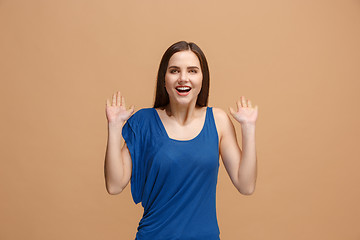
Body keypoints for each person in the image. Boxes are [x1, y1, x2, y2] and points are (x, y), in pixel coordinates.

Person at [104, 41, 258, 240]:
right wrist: (114, 128)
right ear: (164, 79)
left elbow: (246, 186)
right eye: (174, 71)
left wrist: (249, 128)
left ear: (203, 79)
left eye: (192, 71)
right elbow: (114, 185)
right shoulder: (143, 122)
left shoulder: (218, 121)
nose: (183, 78)